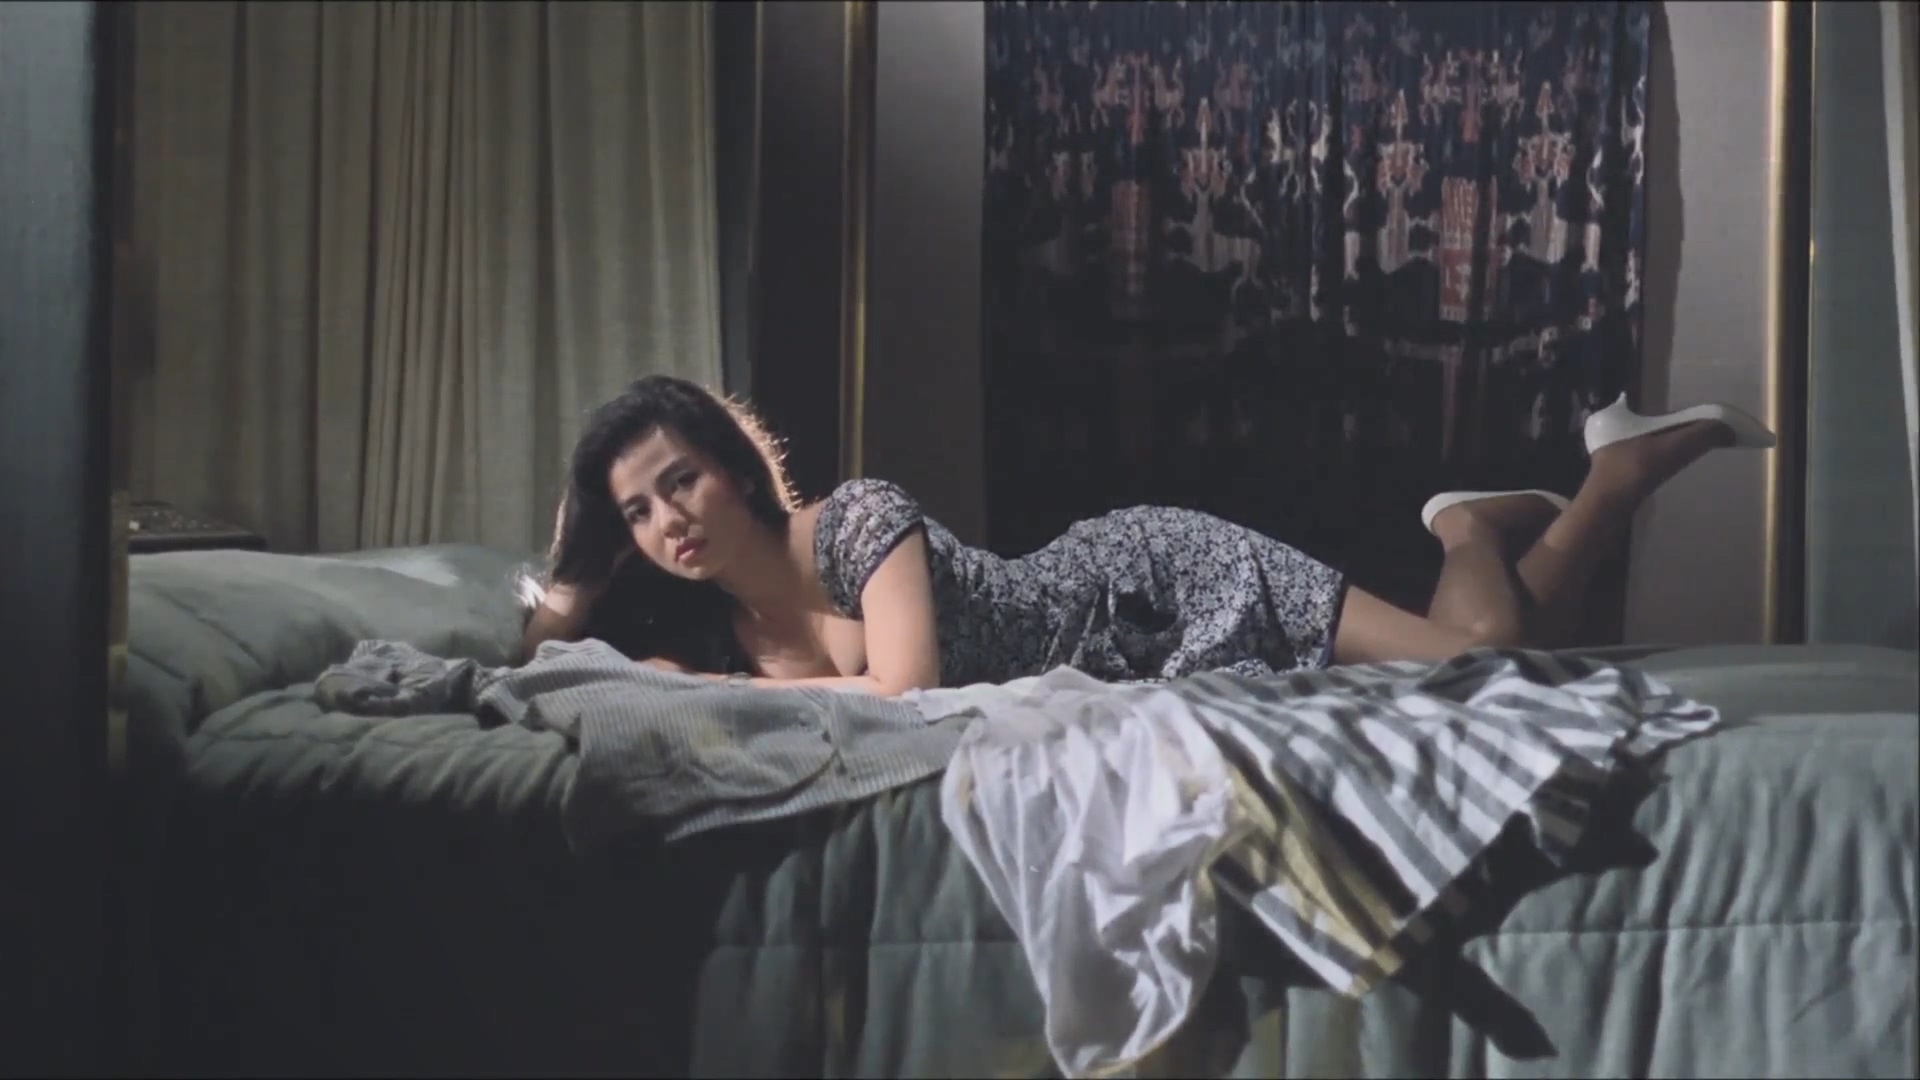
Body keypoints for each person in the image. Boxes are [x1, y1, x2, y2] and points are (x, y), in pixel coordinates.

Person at [522, 375, 1775, 696]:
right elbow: (535, 666)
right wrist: (577, 569)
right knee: (1493, 667)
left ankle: (1471, 526)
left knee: (1477, 669)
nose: (667, 522)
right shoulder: (710, 626)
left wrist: (742, 700)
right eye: (637, 511)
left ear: (734, 470)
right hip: (1133, 665)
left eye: (679, 483)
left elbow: (904, 691)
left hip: (1149, 582)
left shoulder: (857, 518)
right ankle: (1603, 481)